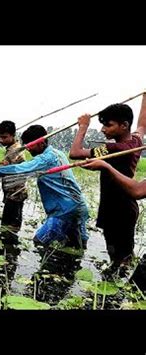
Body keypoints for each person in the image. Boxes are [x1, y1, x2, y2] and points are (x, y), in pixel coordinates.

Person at [0, 124, 89, 249]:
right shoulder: (58, 153)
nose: (28, 149)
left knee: (40, 242)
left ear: (41, 143)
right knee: (76, 246)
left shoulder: (46, 159)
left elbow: (20, 168)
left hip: (65, 211)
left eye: (31, 145)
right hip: (79, 207)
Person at [69, 93, 146, 269]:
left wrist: (83, 126)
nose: (103, 129)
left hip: (116, 207)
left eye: (108, 125)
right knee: (125, 252)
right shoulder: (135, 141)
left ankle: (115, 285)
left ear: (124, 125)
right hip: (127, 205)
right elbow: (142, 124)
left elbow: (75, 153)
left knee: (117, 255)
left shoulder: (113, 148)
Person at [81, 159, 146, 290]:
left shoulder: (123, 147)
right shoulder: (114, 148)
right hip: (110, 209)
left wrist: (106, 167)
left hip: (124, 211)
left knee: (136, 289)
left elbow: (138, 190)